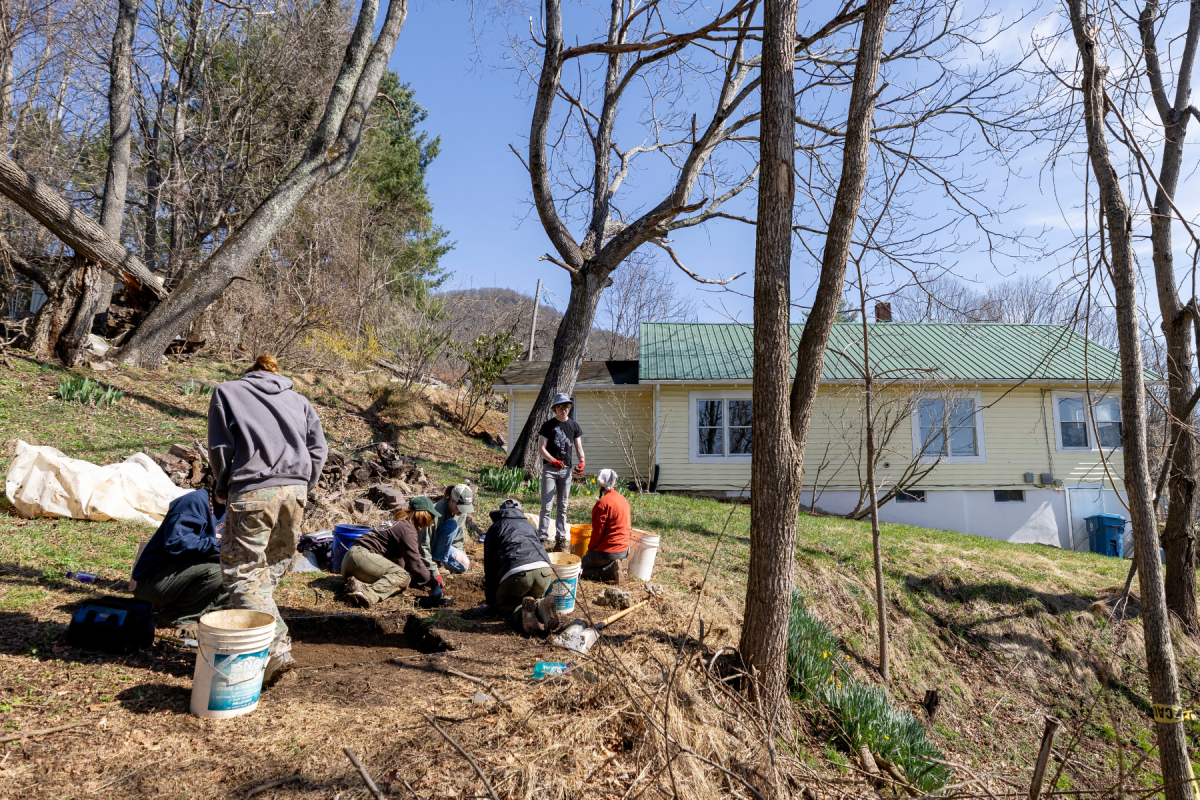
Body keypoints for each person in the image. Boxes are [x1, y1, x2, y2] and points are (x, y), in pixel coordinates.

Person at [208, 353, 328, 686]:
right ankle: (260, 634)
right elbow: (318, 448)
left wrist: (222, 486)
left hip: (252, 490)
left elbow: (221, 447)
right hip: (296, 492)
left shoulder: (228, 392)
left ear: (250, 372)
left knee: (243, 571)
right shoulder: (299, 400)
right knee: (274, 564)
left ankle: (274, 649)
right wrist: (304, 484)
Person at [131, 489, 229, 629]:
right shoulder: (193, 502)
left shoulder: (232, 507)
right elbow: (176, 543)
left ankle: (200, 613)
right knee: (223, 571)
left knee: (237, 569)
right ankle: (177, 617)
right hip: (153, 583)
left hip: (180, 578)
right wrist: (222, 548)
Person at [343, 501, 444, 608]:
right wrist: (432, 583)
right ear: (423, 516)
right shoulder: (407, 530)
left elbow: (400, 562)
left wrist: (417, 582)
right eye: (430, 518)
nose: (430, 522)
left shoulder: (398, 522)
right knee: (403, 577)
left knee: (399, 577)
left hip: (352, 560)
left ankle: (358, 585)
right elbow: (415, 561)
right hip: (362, 557)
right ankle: (365, 594)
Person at [483, 499, 559, 635]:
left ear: (501, 512)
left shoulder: (495, 528)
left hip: (517, 572)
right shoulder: (530, 526)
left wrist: (490, 601)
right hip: (544, 571)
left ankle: (521, 615)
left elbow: (490, 567)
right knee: (531, 597)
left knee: (503, 605)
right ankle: (541, 605)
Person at [538, 393, 585, 551]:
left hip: (566, 471)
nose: (563, 410)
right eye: (560, 407)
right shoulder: (548, 426)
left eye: (565, 407)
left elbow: (578, 448)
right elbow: (541, 449)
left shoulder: (574, 426)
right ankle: (542, 538)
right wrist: (552, 460)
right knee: (547, 505)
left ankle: (560, 539)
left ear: (569, 408)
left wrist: (582, 461)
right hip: (550, 470)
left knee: (563, 506)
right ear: (555, 409)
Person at [581, 469, 631, 583]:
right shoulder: (623, 500)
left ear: (600, 483)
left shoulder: (602, 504)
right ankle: (614, 567)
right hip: (624, 551)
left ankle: (610, 571)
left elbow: (597, 533)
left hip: (608, 552)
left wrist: (590, 551)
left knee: (579, 568)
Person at [418, 484, 474, 575]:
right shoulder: (433, 513)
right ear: (452, 500)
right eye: (460, 507)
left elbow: (458, 540)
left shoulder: (461, 513)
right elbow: (422, 544)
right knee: (451, 525)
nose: (462, 511)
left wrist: (461, 555)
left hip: (442, 550)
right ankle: (436, 563)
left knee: (464, 565)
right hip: (426, 549)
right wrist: (432, 568)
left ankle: (440, 561)